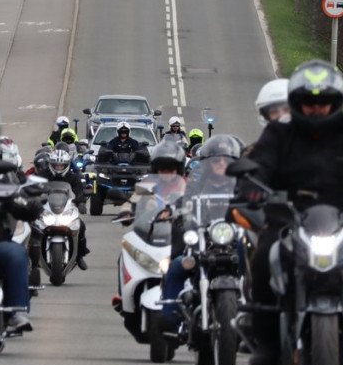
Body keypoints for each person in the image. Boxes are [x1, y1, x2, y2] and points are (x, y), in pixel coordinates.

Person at [244, 59, 343, 365]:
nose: (316, 109)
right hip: (290, 216)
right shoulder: (279, 132)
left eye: (323, 102)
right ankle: (266, 343)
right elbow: (260, 163)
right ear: (296, 104)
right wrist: (252, 186)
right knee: (264, 258)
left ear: (336, 103)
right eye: (308, 103)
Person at [160, 135, 244, 329]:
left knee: (258, 264)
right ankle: (171, 312)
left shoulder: (242, 185)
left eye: (226, 159)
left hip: (233, 239)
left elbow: (256, 198)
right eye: (217, 160)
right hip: (204, 239)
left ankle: (261, 313)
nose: (222, 163)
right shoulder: (198, 183)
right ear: (208, 163)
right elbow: (186, 198)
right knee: (179, 265)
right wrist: (173, 209)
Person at [110, 140, 188, 315]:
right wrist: (125, 213)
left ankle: (195, 298)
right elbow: (132, 202)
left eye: (171, 170)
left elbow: (197, 207)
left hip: (180, 238)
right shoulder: (147, 186)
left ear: (178, 170)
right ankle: (125, 299)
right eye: (162, 170)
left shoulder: (187, 188)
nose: (167, 174)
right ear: (156, 170)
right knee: (124, 256)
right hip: (150, 236)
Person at [0, 137, 42, 334]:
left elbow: (21, 204)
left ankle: (17, 311)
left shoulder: (3, 181)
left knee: (15, 254)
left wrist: (31, 204)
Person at [43, 148, 91, 269]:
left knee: (81, 226)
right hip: (48, 208)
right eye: (56, 165)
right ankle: (32, 257)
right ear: (51, 165)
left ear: (67, 165)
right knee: (34, 227)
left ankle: (79, 255)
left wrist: (81, 203)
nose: (59, 168)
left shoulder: (73, 177)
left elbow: (80, 191)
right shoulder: (44, 176)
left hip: (66, 209)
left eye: (61, 165)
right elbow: (35, 189)